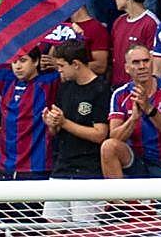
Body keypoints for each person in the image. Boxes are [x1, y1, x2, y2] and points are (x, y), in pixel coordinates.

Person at [44, 38, 111, 220]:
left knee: (83, 230)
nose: (59, 70)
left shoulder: (102, 89)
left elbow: (100, 134)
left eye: (61, 65)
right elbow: (56, 130)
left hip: (88, 171)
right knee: (52, 225)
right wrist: (53, 124)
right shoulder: (65, 88)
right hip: (62, 168)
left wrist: (64, 123)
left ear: (75, 64)